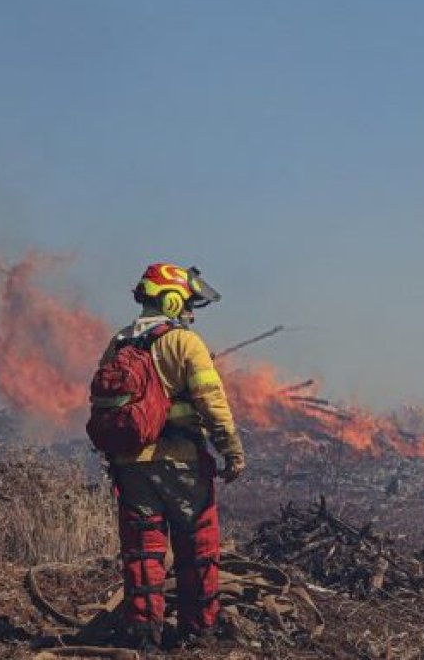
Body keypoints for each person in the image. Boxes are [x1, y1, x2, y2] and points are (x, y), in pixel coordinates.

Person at [98, 263, 246, 650]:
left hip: (131, 466)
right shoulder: (184, 343)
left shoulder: (119, 344)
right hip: (181, 464)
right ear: (171, 300)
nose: (191, 313)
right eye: (188, 304)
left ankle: (144, 638)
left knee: (142, 552)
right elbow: (212, 401)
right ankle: (199, 632)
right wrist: (231, 449)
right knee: (197, 548)